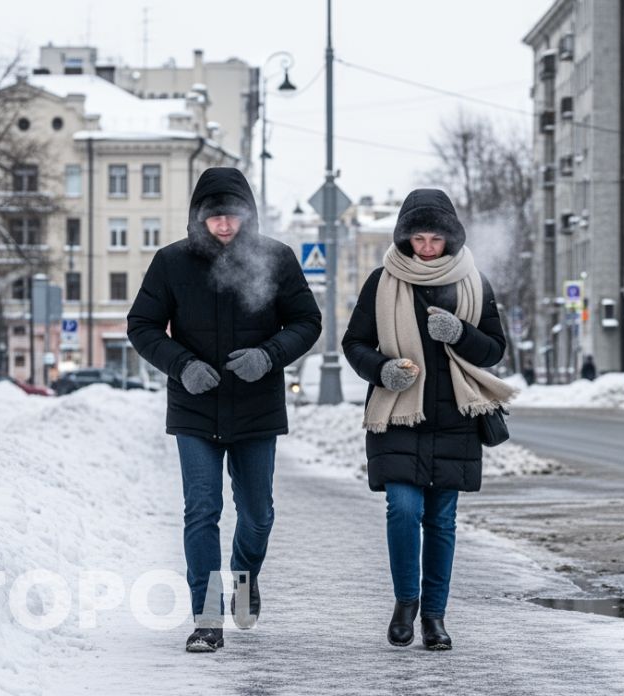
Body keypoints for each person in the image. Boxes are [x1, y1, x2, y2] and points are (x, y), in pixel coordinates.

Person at [127, 167, 322, 653]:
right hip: (195, 407)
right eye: (214, 217)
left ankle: (245, 577)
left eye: (232, 216)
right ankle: (207, 618)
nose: (224, 225)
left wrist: (268, 356)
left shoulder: (275, 258)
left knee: (257, 514)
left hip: (257, 408)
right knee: (202, 510)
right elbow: (142, 325)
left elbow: (307, 321)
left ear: (247, 215)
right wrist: (182, 365)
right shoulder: (171, 262)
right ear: (198, 217)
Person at [342, 188, 516, 651]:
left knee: (441, 521)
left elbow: (494, 350)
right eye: (417, 238)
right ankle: (406, 602)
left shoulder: (474, 282)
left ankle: (435, 618)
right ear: (405, 238)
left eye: (435, 239)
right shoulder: (382, 282)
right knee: (402, 510)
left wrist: (460, 333)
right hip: (398, 416)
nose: (426, 248)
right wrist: (382, 369)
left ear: (450, 238)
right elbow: (354, 344)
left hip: (456, 420)